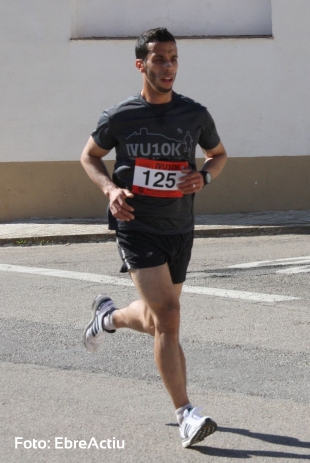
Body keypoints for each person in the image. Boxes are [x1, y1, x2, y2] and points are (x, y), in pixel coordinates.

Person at [79, 27, 228, 448]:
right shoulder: (120, 116)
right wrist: (110, 190)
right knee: (169, 314)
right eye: (160, 59)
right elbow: (89, 156)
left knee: (154, 318)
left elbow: (219, 155)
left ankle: (107, 317)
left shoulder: (194, 114)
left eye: (174, 58)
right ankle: (186, 414)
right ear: (141, 65)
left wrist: (204, 176)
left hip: (180, 226)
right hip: (136, 225)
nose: (168, 67)